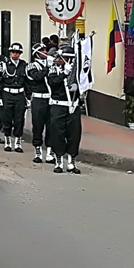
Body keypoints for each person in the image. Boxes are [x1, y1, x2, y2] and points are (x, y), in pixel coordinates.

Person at [45, 46, 82, 174]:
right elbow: (53, 82)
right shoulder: (54, 69)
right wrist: (64, 74)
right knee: (57, 133)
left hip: (72, 106)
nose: (59, 59)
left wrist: (79, 85)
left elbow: (85, 82)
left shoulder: (77, 71)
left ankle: (71, 161)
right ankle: (59, 160)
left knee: (74, 134)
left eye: (62, 57)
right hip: (58, 105)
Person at [0, 42, 28, 152]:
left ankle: (18, 142)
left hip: (19, 94)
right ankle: (8, 141)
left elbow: (27, 83)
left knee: (19, 119)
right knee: (6, 118)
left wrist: (28, 98)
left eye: (18, 52)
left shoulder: (24, 65)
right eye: (13, 52)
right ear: (10, 53)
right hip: (7, 94)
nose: (15, 54)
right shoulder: (3, 64)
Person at [26, 43, 55, 163]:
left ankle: (50, 152)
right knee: (37, 125)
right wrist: (48, 67)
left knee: (52, 126)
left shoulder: (51, 64)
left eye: (45, 49)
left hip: (50, 98)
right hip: (38, 99)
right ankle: (37, 151)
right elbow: (37, 77)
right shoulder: (31, 66)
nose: (45, 52)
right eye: (42, 50)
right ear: (37, 53)